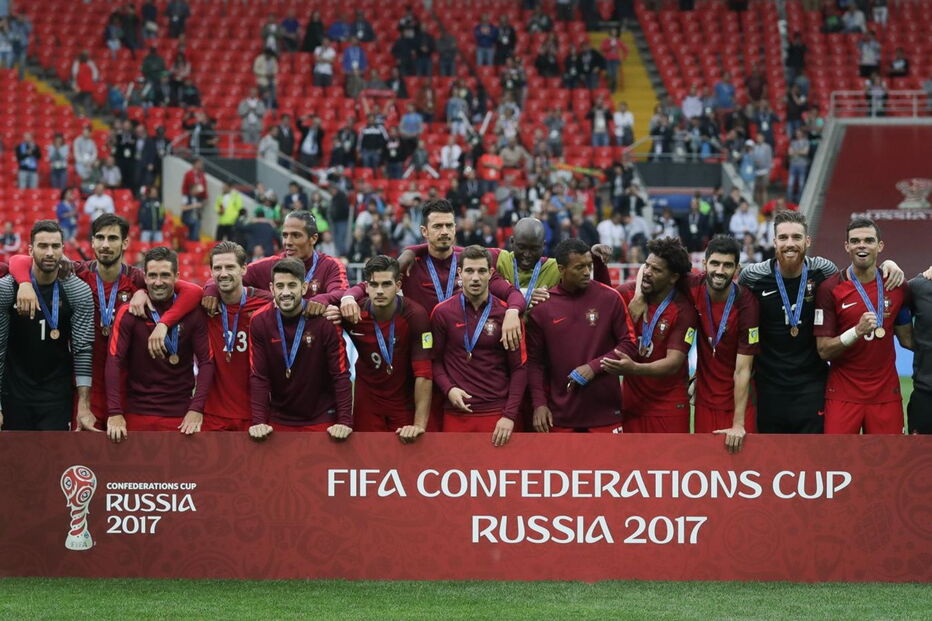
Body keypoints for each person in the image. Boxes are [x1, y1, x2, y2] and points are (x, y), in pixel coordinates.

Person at [10, 214, 201, 428]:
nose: (105, 245)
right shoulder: (76, 273)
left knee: (118, 457)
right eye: (100, 238)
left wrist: (160, 317)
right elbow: (20, 260)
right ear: (91, 242)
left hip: (124, 388)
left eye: (113, 238)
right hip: (84, 385)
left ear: (125, 243)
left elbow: (194, 291)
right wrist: (25, 283)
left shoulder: (139, 279)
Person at [738, 210, 903, 433]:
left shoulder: (823, 271)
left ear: (807, 241)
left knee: (816, 461)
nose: (790, 244)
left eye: (796, 237)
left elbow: (857, 272)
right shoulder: (752, 277)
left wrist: (889, 264)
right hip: (769, 387)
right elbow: (729, 315)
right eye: (783, 237)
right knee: (772, 460)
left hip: (812, 386)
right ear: (774, 241)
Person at [526, 238, 638, 433]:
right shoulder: (542, 308)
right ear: (561, 270)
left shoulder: (610, 298)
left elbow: (629, 344)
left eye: (589, 266)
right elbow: (535, 363)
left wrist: (593, 367)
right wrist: (539, 404)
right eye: (579, 267)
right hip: (560, 416)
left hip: (605, 414)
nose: (587, 272)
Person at [814, 218, 912, 434]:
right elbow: (823, 350)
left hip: (886, 394)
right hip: (843, 394)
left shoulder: (897, 286)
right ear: (846, 246)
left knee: (889, 462)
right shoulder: (830, 288)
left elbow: (908, 340)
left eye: (868, 240)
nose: (862, 245)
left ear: (880, 246)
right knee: (838, 461)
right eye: (855, 241)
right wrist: (856, 332)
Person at [106, 249, 212, 441]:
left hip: (181, 416)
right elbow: (114, 361)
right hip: (136, 413)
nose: (158, 282)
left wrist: (196, 409)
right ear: (144, 277)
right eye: (152, 275)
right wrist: (114, 412)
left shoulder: (193, 313)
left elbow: (206, 362)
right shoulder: (129, 312)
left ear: (177, 277)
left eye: (165, 275)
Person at [0, 220, 92, 432]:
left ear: (63, 249)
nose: (49, 252)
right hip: (14, 394)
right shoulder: (7, 289)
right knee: (14, 464)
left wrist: (84, 405)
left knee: (54, 463)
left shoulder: (78, 291)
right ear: (30, 250)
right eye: (43, 246)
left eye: (55, 246)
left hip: (56, 397)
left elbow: (83, 350)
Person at [247, 258, 352, 440]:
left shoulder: (325, 321)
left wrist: (344, 422)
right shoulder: (259, 321)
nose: (285, 292)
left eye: (292, 286)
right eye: (280, 286)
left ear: (303, 288)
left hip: (321, 418)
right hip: (278, 419)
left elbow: (340, 375)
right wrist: (258, 421)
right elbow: (259, 377)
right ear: (272, 289)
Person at [430, 245, 525, 446]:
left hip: (496, 415)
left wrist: (509, 415)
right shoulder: (442, 313)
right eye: (469, 271)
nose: (475, 278)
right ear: (459, 273)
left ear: (491, 273)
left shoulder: (506, 315)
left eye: (481, 271)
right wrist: (448, 389)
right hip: (456, 413)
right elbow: (435, 361)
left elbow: (519, 368)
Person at [334, 255, 432, 439]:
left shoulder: (415, 315)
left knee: (405, 464)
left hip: (403, 404)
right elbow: (325, 303)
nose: (379, 291)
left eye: (386, 284)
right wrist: (332, 308)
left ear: (398, 285)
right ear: (366, 286)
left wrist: (419, 425)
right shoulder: (354, 313)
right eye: (374, 284)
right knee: (367, 463)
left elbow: (424, 374)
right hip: (367, 405)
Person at [609, 237, 697, 433]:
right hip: (630, 404)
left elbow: (673, 363)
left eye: (656, 270)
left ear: (673, 277)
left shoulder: (683, 310)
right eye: (647, 266)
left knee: (671, 464)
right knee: (630, 463)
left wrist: (634, 369)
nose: (648, 272)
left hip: (669, 407)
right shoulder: (626, 294)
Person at [688, 235, 759, 452]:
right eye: (715, 263)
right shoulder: (693, 286)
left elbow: (743, 369)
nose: (720, 271)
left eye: (727, 265)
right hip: (704, 402)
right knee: (706, 467)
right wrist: (638, 297)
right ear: (704, 263)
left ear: (737, 269)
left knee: (745, 470)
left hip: (740, 404)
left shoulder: (747, 304)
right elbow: (653, 265)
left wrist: (738, 424)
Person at [203, 211, 347, 316]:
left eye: (295, 235)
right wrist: (211, 290)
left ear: (313, 239)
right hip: (277, 345)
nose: (288, 242)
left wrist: (322, 299)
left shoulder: (331, 265)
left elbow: (341, 292)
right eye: (285, 235)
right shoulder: (269, 264)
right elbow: (230, 275)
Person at [201, 242, 272, 432]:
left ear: (244, 269)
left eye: (230, 267)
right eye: (217, 268)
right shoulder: (203, 305)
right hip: (212, 415)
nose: (223, 273)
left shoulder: (267, 303)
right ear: (211, 272)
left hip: (256, 415)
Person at [908, 268, 932, 434]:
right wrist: (890, 264)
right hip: (926, 395)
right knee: (919, 459)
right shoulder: (919, 287)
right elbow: (885, 294)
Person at [181, 158, 208, 241]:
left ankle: (194, 240)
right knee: (195, 223)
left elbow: (204, 187)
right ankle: (193, 241)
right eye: (199, 163)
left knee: (197, 222)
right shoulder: (188, 174)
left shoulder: (202, 175)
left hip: (199, 200)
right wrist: (193, 205)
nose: (201, 165)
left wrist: (205, 198)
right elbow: (182, 207)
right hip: (187, 216)